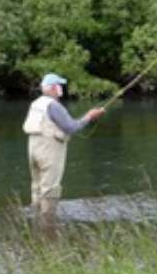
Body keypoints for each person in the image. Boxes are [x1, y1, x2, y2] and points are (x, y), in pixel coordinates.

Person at [22, 73, 104, 223]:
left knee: (37, 186)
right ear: (53, 88)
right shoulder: (54, 106)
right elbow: (71, 127)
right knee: (51, 188)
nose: (61, 88)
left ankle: (35, 219)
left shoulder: (35, 104)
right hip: (48, 151)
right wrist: (90, 116)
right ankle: (48, 222)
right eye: (59, 85)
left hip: (33, 150)